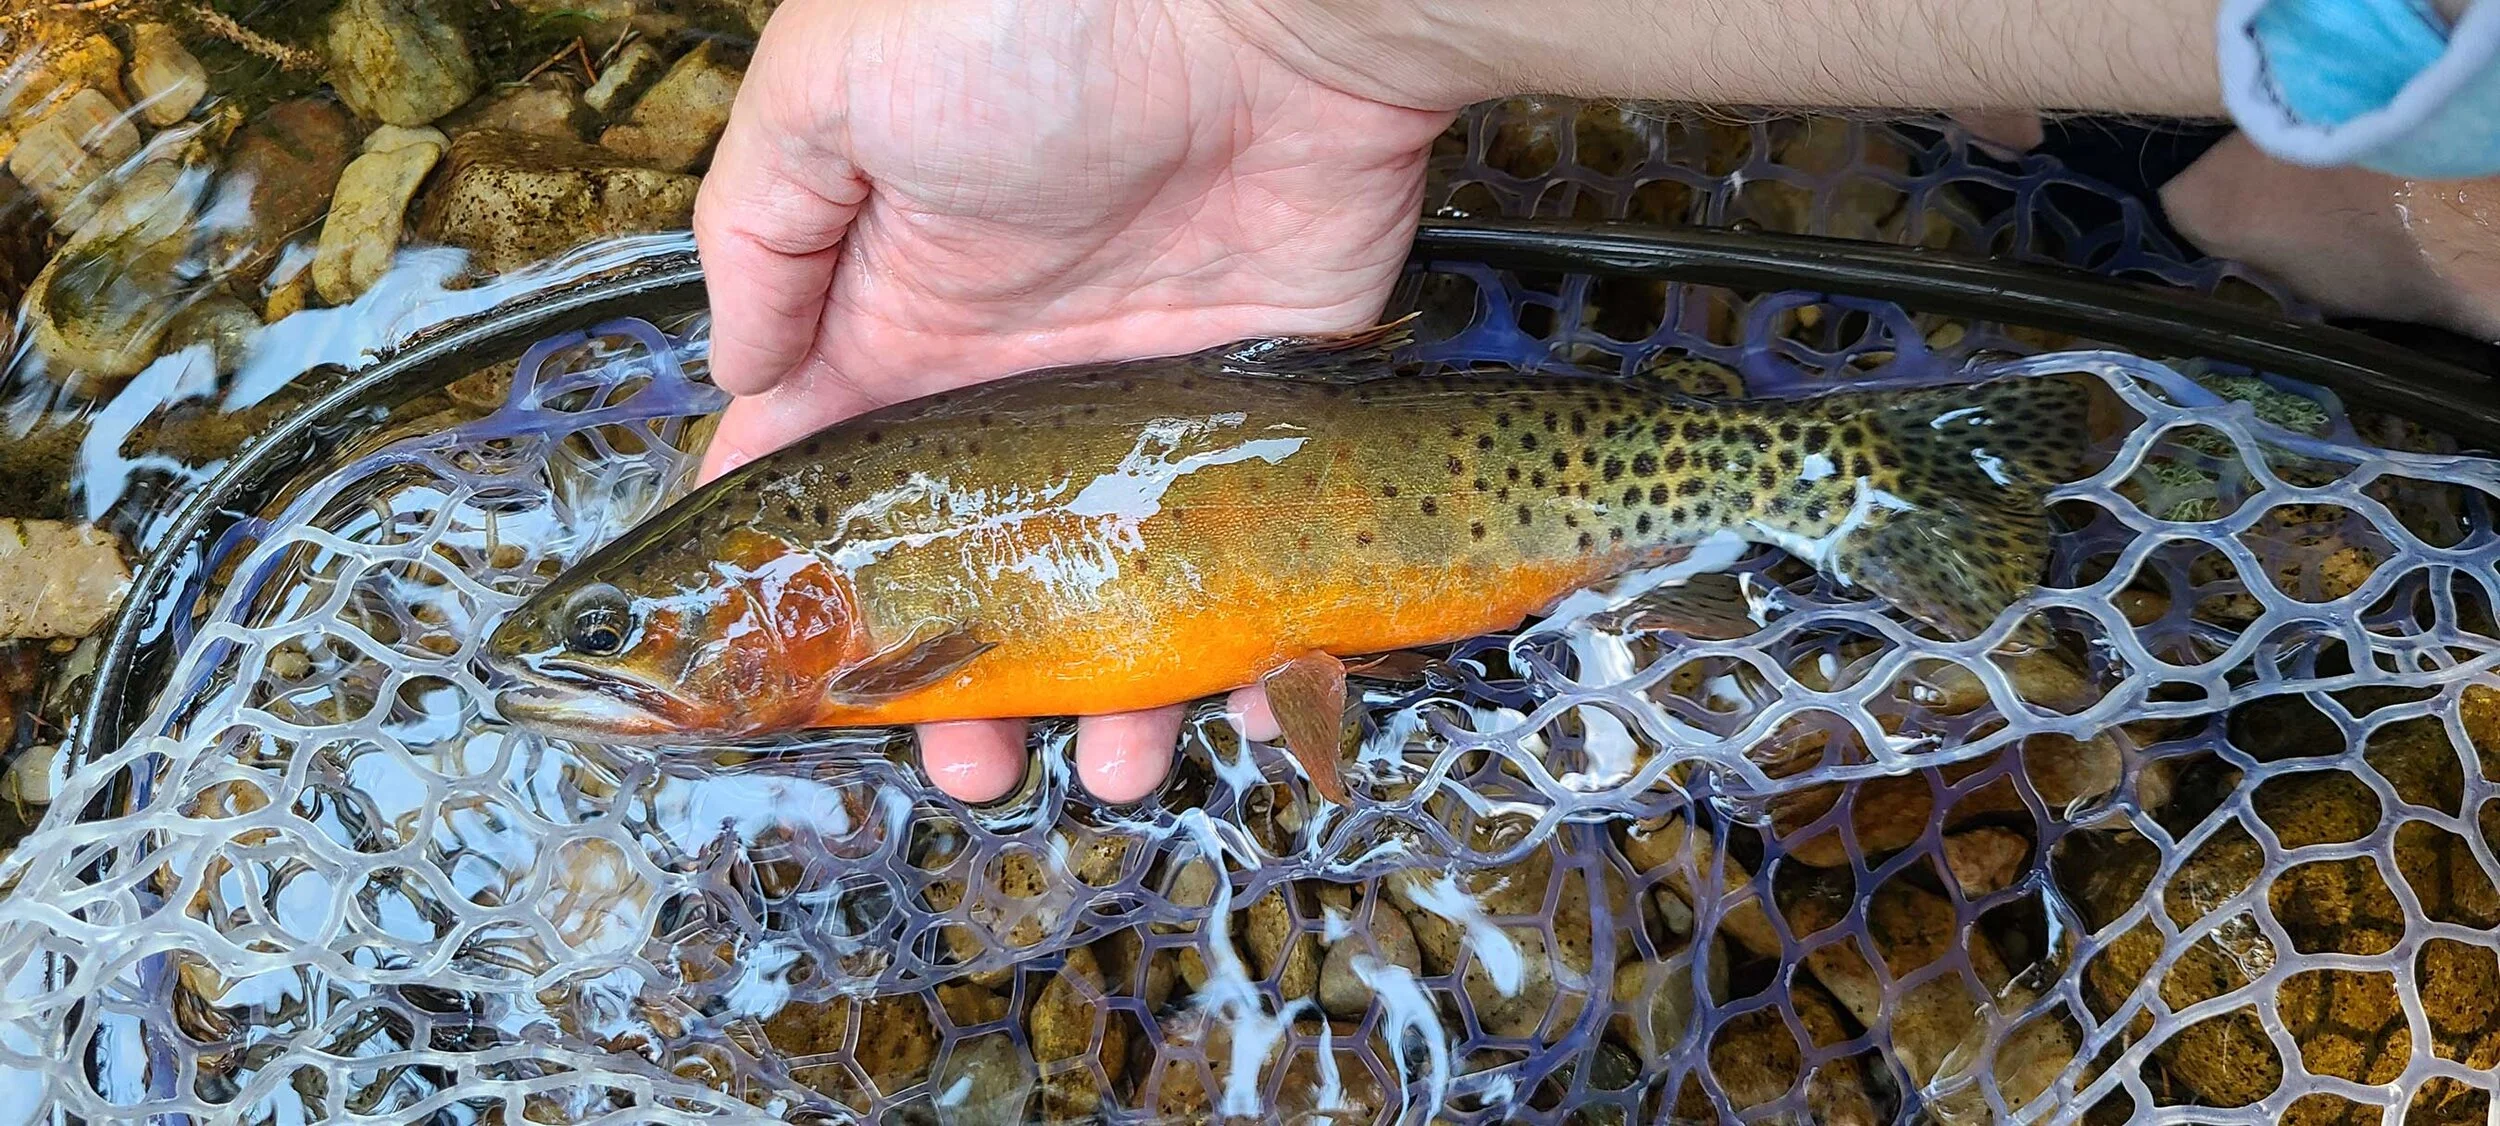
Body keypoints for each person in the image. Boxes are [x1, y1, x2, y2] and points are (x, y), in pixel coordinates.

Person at [690, 0, 2500, 805]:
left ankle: (2318, 156)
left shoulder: (866, 648)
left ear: (784, 595)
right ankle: (2324, 152)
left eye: (643, 623)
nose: (643, 650)